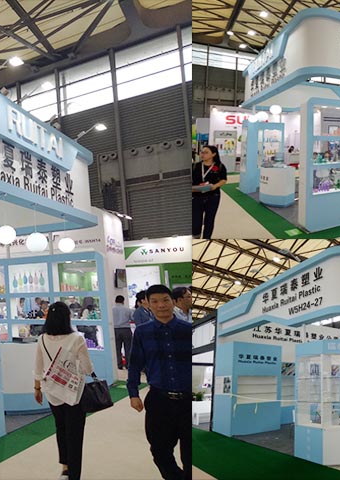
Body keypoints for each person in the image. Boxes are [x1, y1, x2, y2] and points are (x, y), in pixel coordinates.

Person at [128, 285, 191, 480]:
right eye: (154, 301)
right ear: (147, 304)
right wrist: (133, 393)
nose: (161, 305)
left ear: (173, 302)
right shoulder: (142, 332)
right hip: (159, 400)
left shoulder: (187, 330)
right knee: (160, 451)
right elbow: (134, 364)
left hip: (187, 400)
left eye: (165, 300)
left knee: (190, 454)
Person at [34, 302, 94, 480]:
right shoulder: (76, 339)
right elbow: (87, 368)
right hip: (74, 393)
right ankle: (74, 474)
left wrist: (37, 388)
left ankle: (65, 468)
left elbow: (38, 367)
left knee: (60, 428)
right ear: (67, 318)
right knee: (75, 434)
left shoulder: (42, 339)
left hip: (52, 391)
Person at [192, 145, 227, 239]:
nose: (202, 154)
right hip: (196, 196)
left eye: (206, 152)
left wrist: (215, 186)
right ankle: (196, 236)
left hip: (213, 196)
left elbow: (223, 180)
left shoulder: (219, 166)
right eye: (202, 152)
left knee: (210, 219)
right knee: (196, 219)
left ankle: (206, 238)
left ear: (213, 154)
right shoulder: (195, 166)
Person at [112, 295, 134, 370]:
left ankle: (119, 365)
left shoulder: (111, 310)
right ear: (123, 301)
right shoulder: (128, 310)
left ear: (115, 301)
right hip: (126, 329)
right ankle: (128, 364)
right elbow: (132, 318)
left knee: (117, 348)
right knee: (128, 348)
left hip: (115, 330)